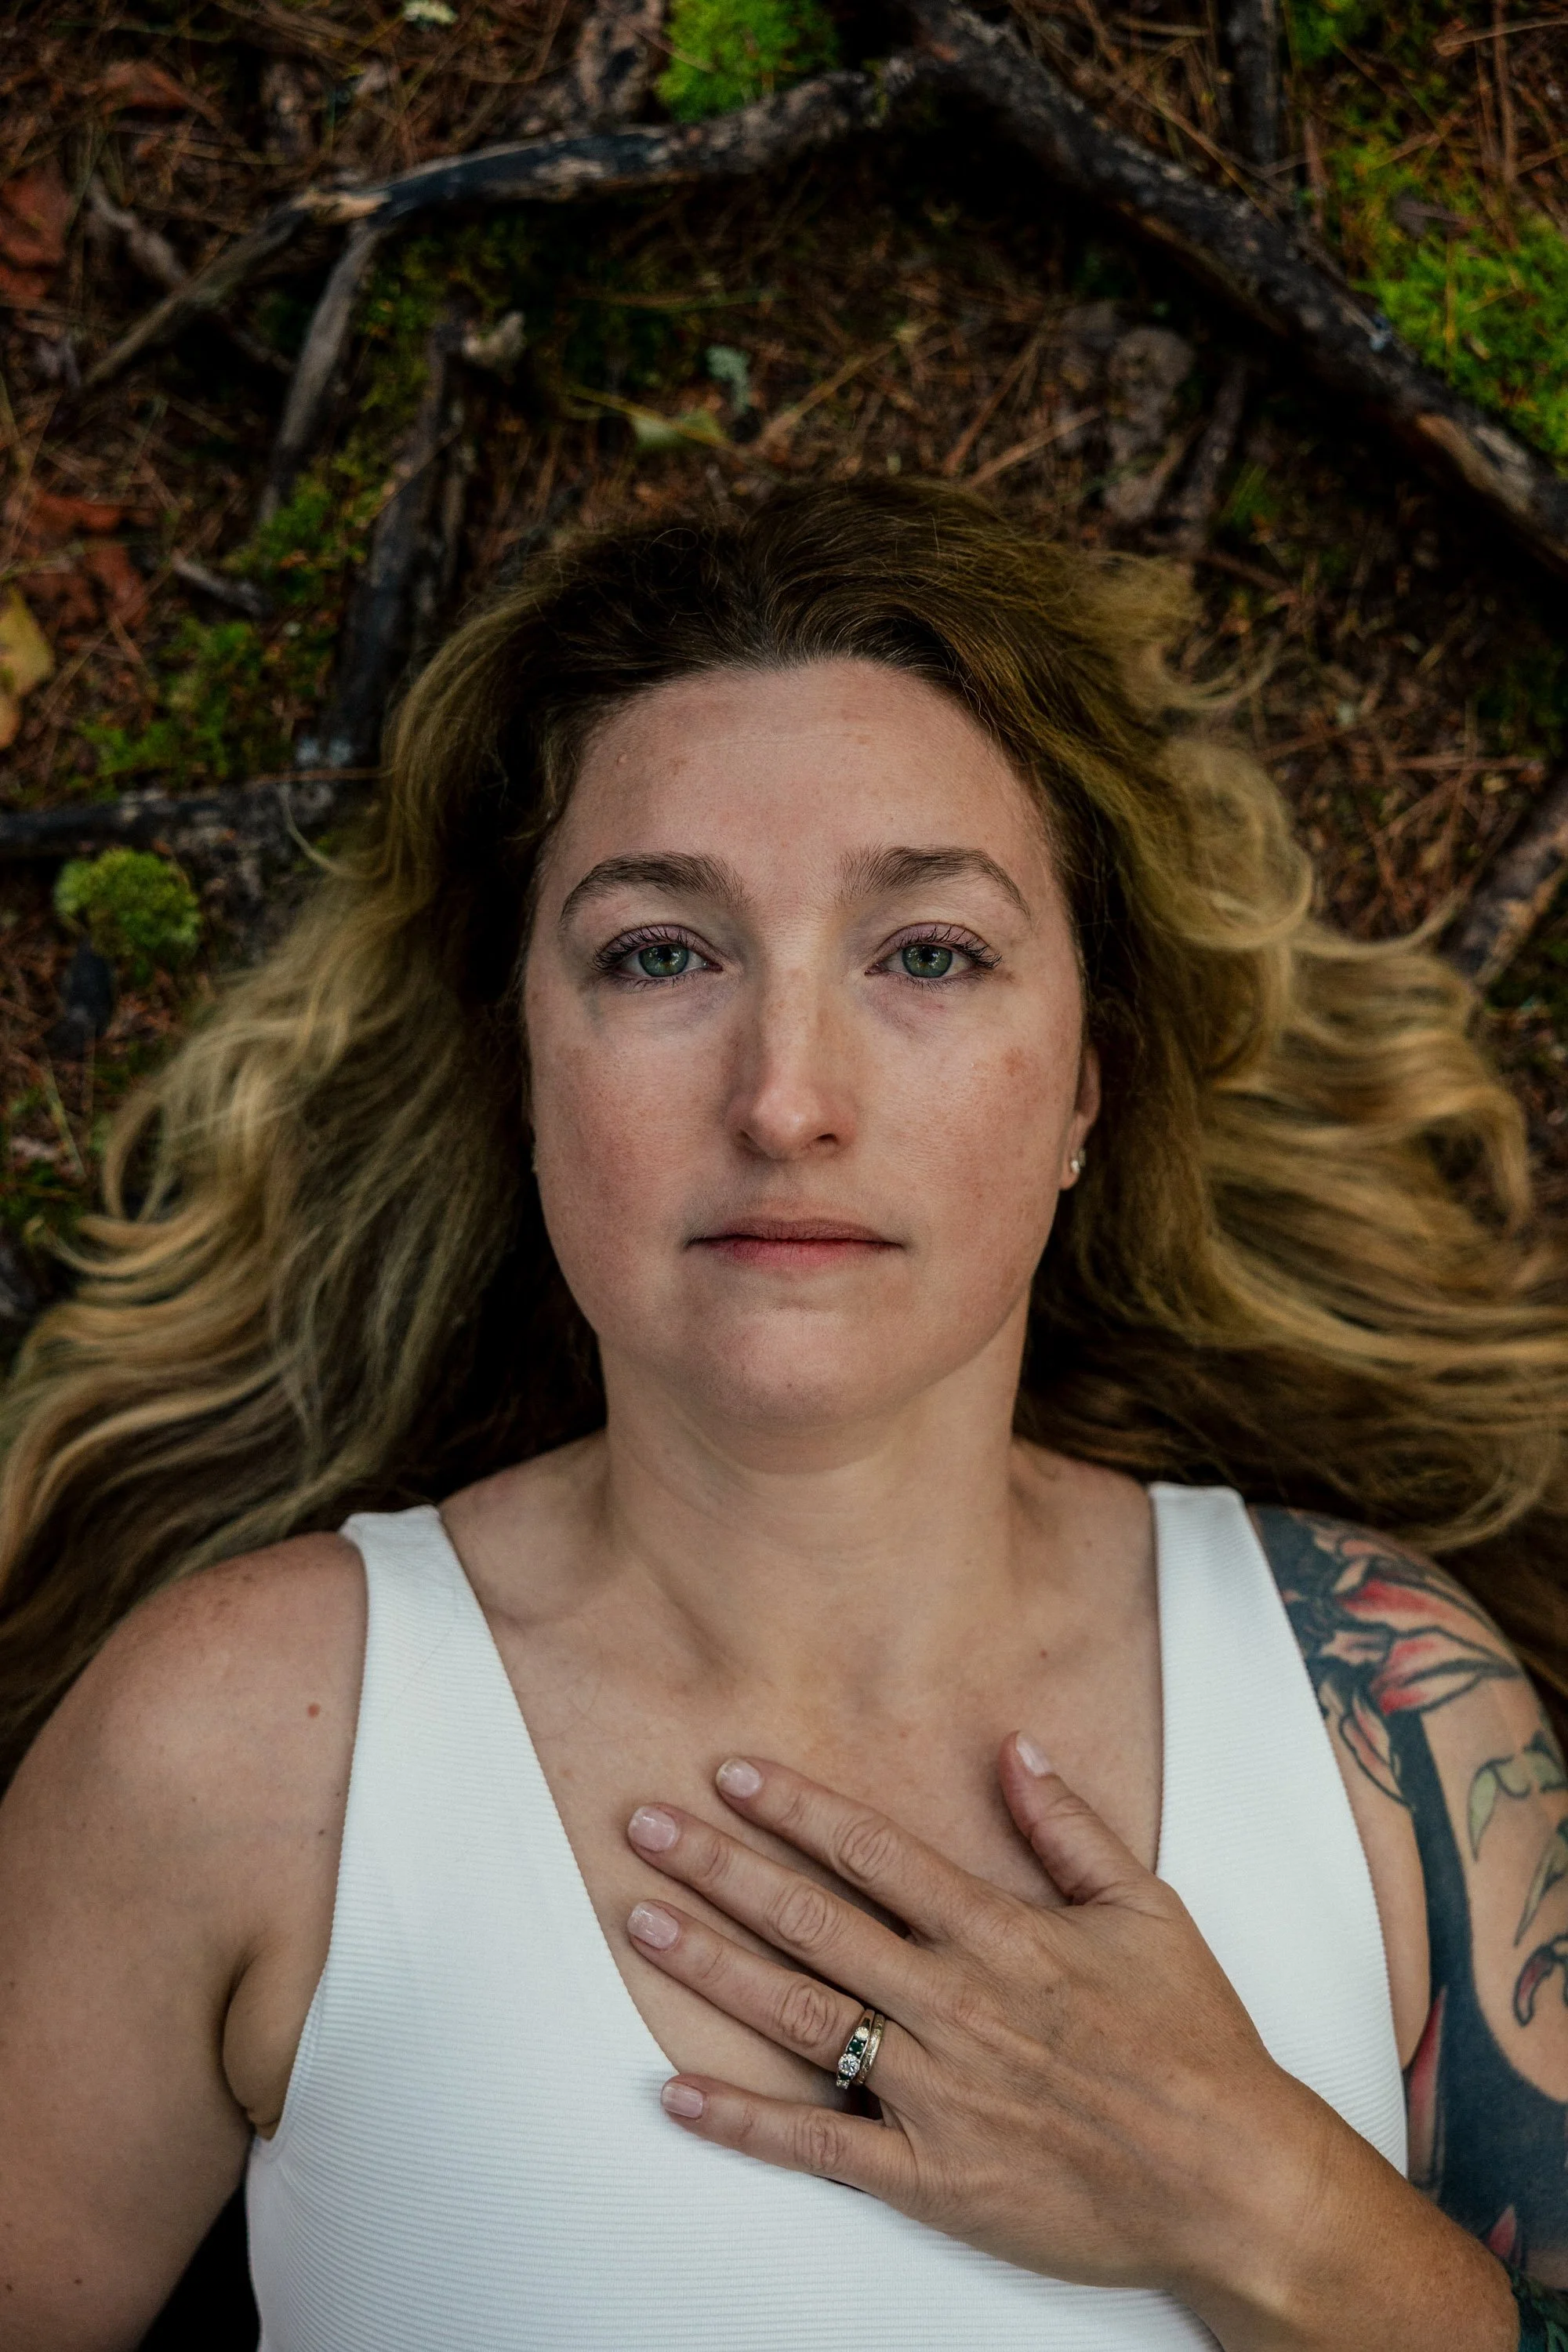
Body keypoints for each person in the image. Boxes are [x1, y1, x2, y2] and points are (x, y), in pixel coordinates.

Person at [2, 479, 1567, 2352]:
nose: (786, 1100)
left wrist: (1266, 2204)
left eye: (928, 953)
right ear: (523, 1065)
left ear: (1087, 1084)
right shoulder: (237, 1745)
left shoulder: (1384, 1704)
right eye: (661, 952)